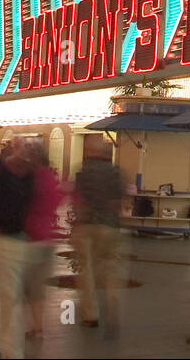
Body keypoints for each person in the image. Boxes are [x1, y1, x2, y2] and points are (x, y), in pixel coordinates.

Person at [0, 141, 40, 358]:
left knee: (10, 296)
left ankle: (9, 348)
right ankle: (1, 343)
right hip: (11, 238)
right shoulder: (14, 177)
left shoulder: (20, 178)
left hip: (14, 238)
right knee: (9, 295)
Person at [73, 137, 126, 335]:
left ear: (90, 152)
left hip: (87, 227)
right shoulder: (115, 172)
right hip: (110, 227)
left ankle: (91, 315)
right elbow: (118, 202)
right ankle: (112, 310)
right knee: (111, 270)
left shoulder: (84, 171)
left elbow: (78, 201)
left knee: (87, 271)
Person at [23, 143, 62, 342]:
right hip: (47, 237)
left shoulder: (31, 179)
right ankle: (37, 326)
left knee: (28, 287)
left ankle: (35, 326)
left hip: (31, 238)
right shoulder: (50, 178)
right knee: (37, 286)